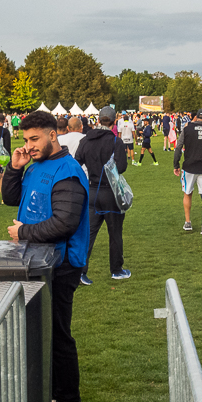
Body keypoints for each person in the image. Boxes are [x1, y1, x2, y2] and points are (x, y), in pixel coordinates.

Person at [2, 110, 90, 402]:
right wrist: (14, 168)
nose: (29, 145)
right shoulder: (36, 166)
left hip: (61, 264)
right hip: (37, 261)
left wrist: (22, 232)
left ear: (53, 134)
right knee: (42, 332)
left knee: (57, 333)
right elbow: (13, 198)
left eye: (34, 138)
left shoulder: (67, 171)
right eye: (26, 139)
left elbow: (65, 223)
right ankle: (53, 392)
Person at [75, 105, 130, 284]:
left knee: (89, 234)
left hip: (92, 191)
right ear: (114, 122)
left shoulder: (86, 140)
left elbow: (78, 161)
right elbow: (121, 167)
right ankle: (116, 269)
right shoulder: (116, 142)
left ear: (98, 120)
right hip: (110, 193)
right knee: (115, 233)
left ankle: (81, 271)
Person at [173, 110, 202, 235]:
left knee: (187, 193)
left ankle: (187, 222)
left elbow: (178, 147)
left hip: (189, 166)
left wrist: (176, 164)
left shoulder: (187, 130)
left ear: (195, 118)